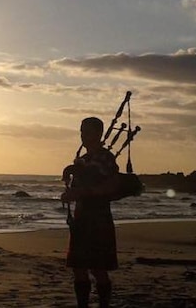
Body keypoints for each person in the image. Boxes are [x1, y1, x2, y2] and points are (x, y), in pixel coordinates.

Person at [61, 117, 121, 308]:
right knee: (78, 267)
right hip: (81, 218)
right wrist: (70, 194)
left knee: (98, 267)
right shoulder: (83, 160)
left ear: (98, 134)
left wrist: (82, 192)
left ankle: (104, 304)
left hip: (98, 218)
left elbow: (110, 187)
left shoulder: (105, 158)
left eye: (87, 131)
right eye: (81, 131)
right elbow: (79, 187)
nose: (83, 136)